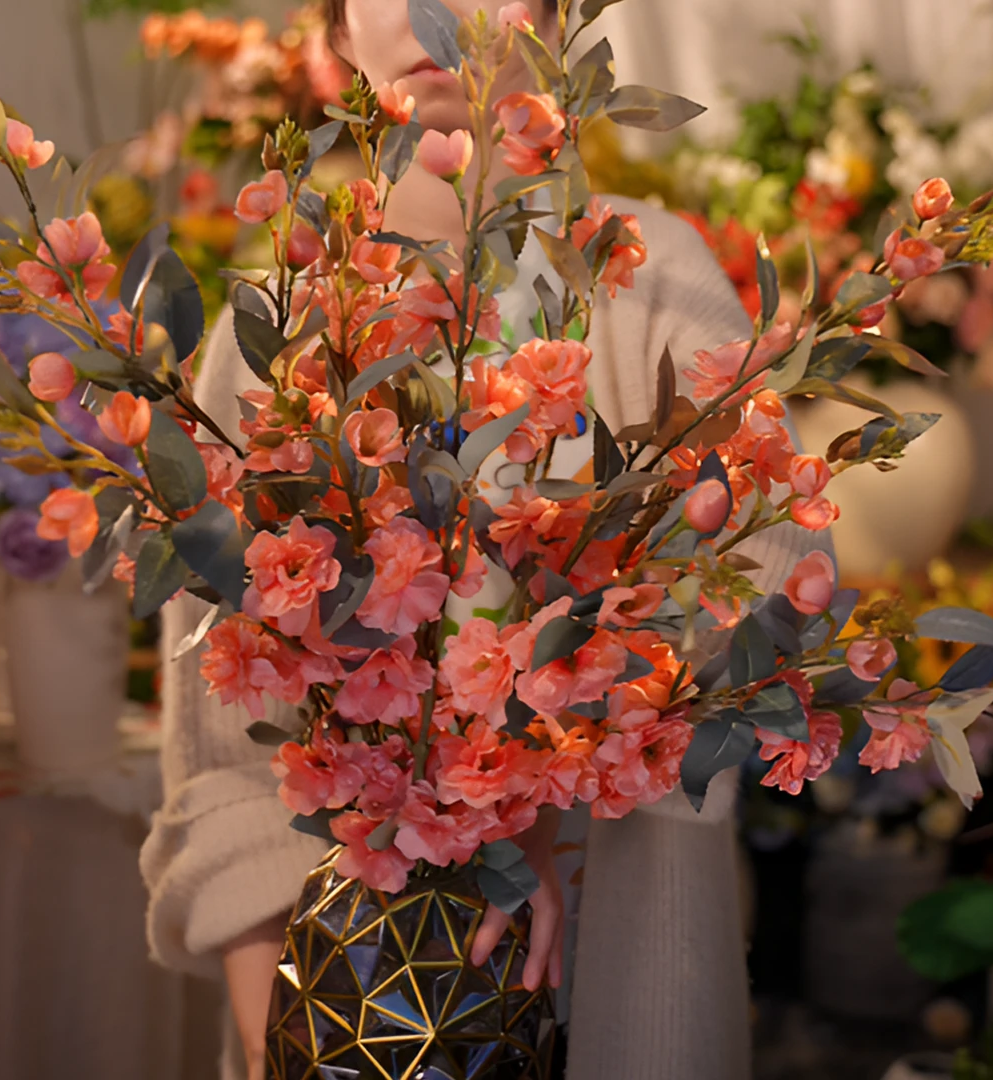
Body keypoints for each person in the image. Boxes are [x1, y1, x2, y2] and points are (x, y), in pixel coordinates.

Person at [139, 2, 828, 1077]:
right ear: (333, 30)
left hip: (623, 976)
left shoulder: (650, 276)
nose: (435, 8)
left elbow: (760, 581)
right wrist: (283, 1035)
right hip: (332, 1001)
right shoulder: (272, 323)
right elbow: (222, 762)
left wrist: (535, 800)